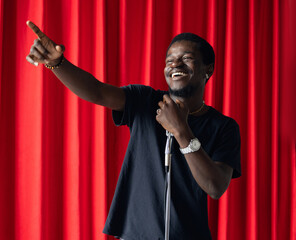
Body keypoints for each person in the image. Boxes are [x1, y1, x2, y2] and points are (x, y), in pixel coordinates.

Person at [26, 20, 241, 240]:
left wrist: (181, 131)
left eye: (186, 58)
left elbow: (215, 187)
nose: (175, 64)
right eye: (170, 60)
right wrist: (58, 63)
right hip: (135, 234)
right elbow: (97, 92)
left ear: (209, 69)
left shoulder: (224, 127)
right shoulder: (144, 101)